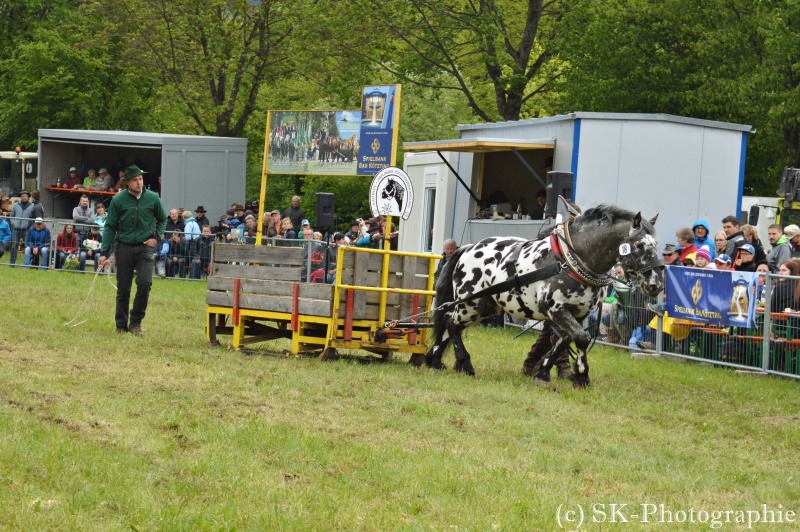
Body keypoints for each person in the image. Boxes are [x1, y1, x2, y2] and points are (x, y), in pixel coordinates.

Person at [98, 165, 168, 336]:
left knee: (145, 284)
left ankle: (135, 323)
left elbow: (162, 219)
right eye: (135, 180)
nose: (139, 182)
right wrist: (104, 252)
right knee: (123, 288)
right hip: (124, 247)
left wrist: (156, 238)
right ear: (127, 182)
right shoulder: (118, 200)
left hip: (145, 249)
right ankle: (121, 326)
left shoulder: (153, 198)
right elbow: (109, 227)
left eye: (141, 179)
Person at [9, 190, 34, 265]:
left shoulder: (32, 206)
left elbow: (33, 217)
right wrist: (13, 223)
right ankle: (12, 263)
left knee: (27, 247)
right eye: (22, 196)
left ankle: (28, 263)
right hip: (16, 229)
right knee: (14, 246)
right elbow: (11, 215)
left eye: (26, 196)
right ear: (20, 197)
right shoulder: (16, 205)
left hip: (26, 229)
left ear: (28, 197)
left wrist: (30, 225)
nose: (24, 197)